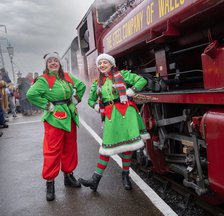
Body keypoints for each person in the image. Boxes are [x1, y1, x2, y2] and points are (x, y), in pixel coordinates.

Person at [79, 53, 150, 192]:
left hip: (126, 113)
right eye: (100, 63)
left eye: (105, 62)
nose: (102, 65)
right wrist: (97, 107)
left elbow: (142, 81)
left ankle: (125, 175)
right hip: (110, 115)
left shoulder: (122, 75)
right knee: (107, 147)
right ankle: (95, 179)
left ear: (111, 64)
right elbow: (90, 100)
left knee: (128, 146)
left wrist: (131, 91)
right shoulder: (97, 83)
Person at [27, 52, 86, 201]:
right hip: (54, 118)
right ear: (46, 65)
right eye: (50, 62)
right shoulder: (43, 79)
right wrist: (47, 106)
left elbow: (82, 86)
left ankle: (68, 176)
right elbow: (31, 94)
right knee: (52, 150)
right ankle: (50, 183)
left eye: (55, 61)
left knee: (70, 147)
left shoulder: (66, 76)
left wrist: (75, 99)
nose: (53, 63)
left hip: (70, 115)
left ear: (59, 63)